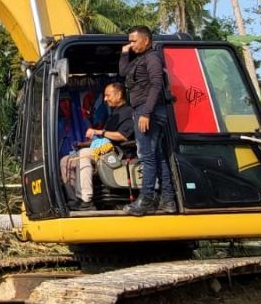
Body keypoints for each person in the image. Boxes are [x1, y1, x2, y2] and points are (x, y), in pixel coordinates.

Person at [118, 26, 176, 215]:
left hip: (147, 110)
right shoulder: (139, 59)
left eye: (134, 41)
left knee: (147, 157)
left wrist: (146, 113)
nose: (131, 44)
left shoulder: (152, 58)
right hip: (145, 110)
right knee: (157, 156)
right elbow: (124, 72)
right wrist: (125, 53)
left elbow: (157, 84)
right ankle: (168, 200)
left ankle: (145, 201)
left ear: (146, 40)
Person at [59, 82, 133, 210]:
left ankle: (86, 199)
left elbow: (123, 136)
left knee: (83, 156)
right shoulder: (114, 114)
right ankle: (74, 200)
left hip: (117, 152)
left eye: (107, 95)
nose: (105, 99)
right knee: (65, 161)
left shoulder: (128, 112)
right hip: (103, 150)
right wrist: (84, 144)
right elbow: (105, 138)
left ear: (119, 95)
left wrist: (98, 131)